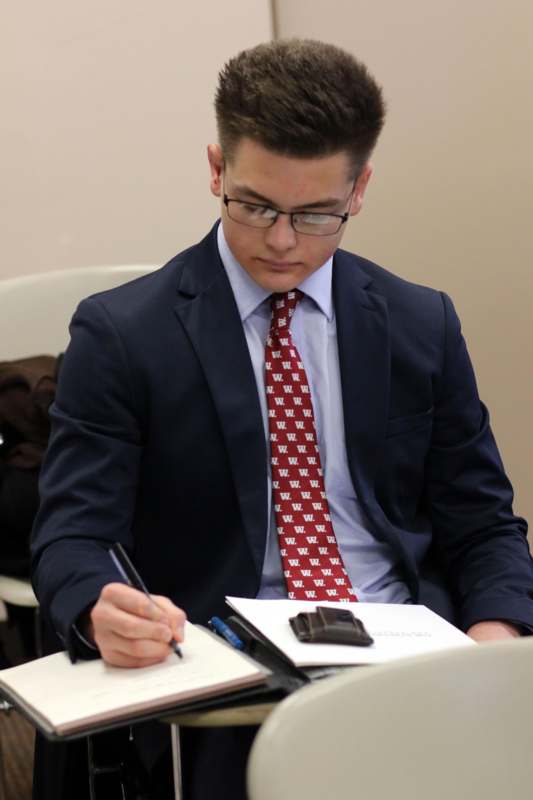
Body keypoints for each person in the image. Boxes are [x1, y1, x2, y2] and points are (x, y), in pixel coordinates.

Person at [31, 39, 533, 799]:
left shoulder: (417, 321)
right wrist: (101, 606)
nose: (280, 240)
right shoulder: (124, 333)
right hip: (226, 657)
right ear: (215, 169)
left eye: (315, 214)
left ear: (359, 189)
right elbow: (72, 533)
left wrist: (492, 643)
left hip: (408, 643)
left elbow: (483, 523)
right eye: (255, 204)